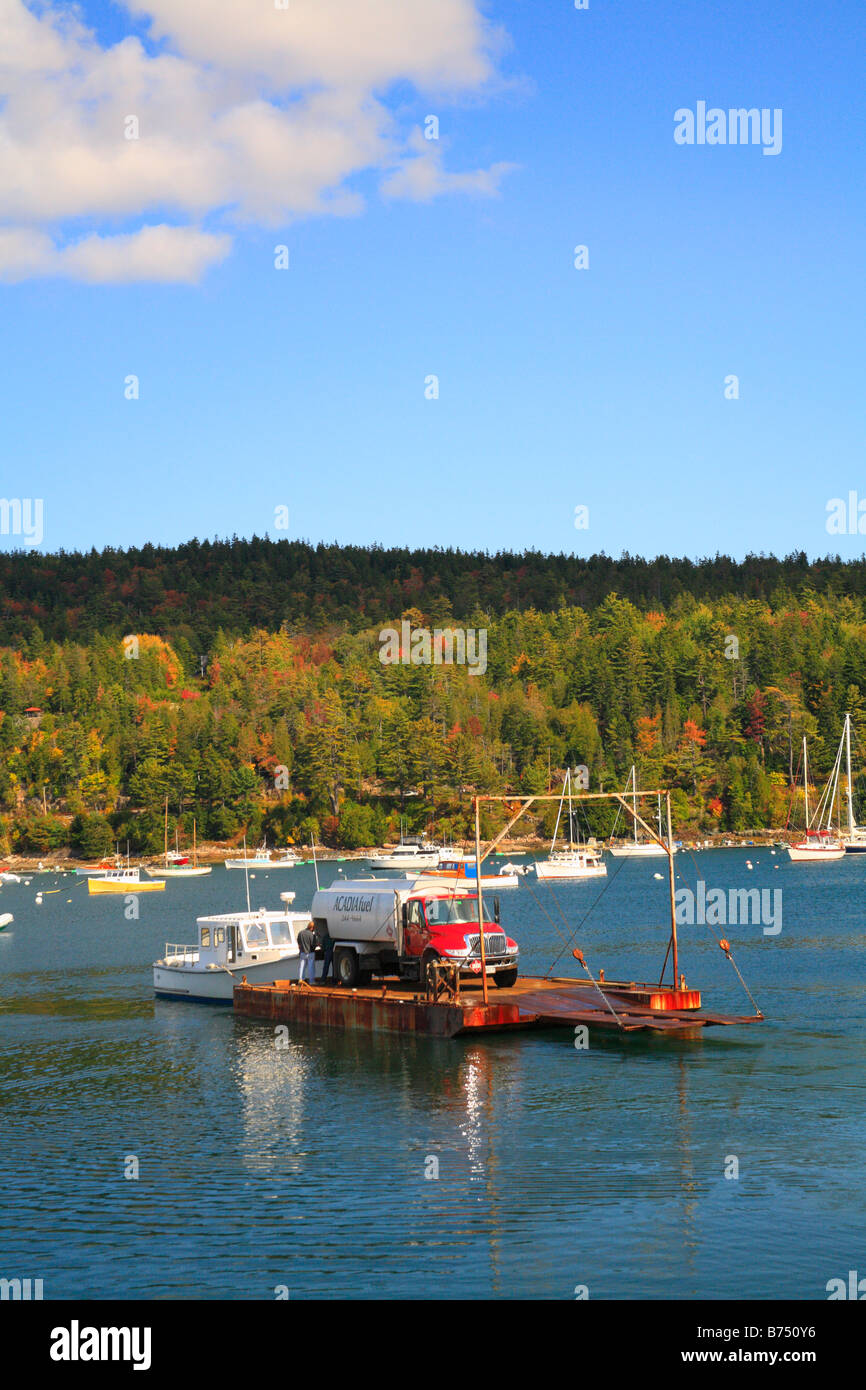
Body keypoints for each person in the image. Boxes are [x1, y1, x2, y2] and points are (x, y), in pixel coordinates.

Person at [316, 919, 334, 984]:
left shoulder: (325, 937)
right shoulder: (334, 937)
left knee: (326, 966)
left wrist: (322, 948)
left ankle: (323, 979)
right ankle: (334, 980)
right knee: (334, 967)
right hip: (334, 952)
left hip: (327, 952)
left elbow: (323, 947)